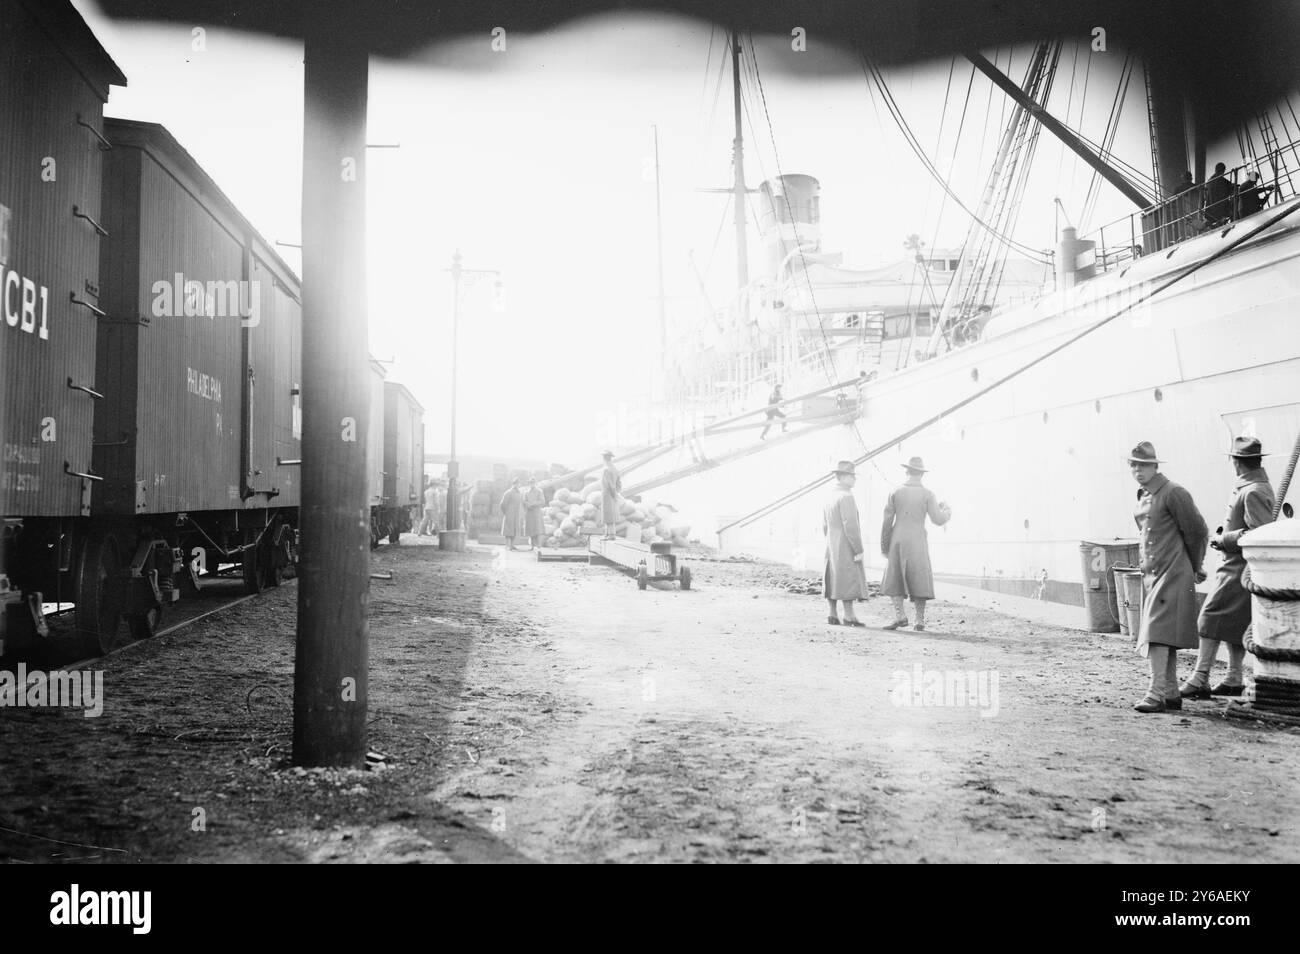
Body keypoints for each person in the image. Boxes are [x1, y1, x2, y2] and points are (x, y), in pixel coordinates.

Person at [1179, 437, 1275, 700]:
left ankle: (1200, 677)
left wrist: (1224, 540)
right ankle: (1233, 678)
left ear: (1237, 462)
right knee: (1233, 622)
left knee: (1209, 618)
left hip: (1237, 569)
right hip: (1239, 568)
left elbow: (1259, 533)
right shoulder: (1255, 486)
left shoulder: (1253, 490)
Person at [1128, 441, 1208, 713]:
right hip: (1153, 575)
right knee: (1163, 633)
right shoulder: (1145, 495)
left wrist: (1196, 567)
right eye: (1133, 464)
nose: (1137, 470)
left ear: (1155, 466)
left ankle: (1156, 693)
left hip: (1173, 572)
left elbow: (1197, 531)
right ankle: (1171, 693)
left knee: (1156, 632)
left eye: (1143, 465)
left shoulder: (1174, 493)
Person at [879, 456, 952, 632]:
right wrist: (947, 510)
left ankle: (900, 616)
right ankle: (919, 620)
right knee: (920, 578)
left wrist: (885, 545)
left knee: (894, 578)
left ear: (907, 472)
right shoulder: (928, 494)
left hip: (898, 539)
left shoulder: (895, 492)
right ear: (922, 474)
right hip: (918, 539)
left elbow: (886, 522)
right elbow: (938, 519)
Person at [823, 460, 868, 626]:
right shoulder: (847, 497)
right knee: (848, 578)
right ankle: (849, 616)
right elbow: (851, 526)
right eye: (851, 476)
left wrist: (830, 541)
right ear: (842, 477)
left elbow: (824, 526)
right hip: (845, 543)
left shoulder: (829, 497)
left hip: (831, 543)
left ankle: (832, 614)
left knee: (832, 577)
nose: (854, 479)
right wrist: (858, 549)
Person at [1203, 162, 1233, 227]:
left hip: (1210, 210)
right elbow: (1229, 187)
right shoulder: (1221, 180)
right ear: (1222, 170)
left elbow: (1205, 196)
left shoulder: (1209, 181)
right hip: (1220, 209)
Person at [600, 451, 621, 539]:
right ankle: (608, 533)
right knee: (612, 513)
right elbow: (618, 483)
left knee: (608, 514)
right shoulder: (614, 468)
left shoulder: (606, 469)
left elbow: (609, 484)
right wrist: (617, 492)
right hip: (613, 493)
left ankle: (611, 534)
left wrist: (613, 493)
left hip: (608, 493)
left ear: (605, 458)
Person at [499, 478, 524, 550]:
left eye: (519, 483)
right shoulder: (508, 492)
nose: (518, 485)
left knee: (514, 529)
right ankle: (507, 545)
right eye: (516, 483)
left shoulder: (519, 493)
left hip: (516, 514)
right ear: (514, 484)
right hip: (509, 513)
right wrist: (506, 512)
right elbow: (502, 504)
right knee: (508, 530)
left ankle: (512, 545)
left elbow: (520, 503)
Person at [523, 477, 546, 550]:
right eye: (530, 482)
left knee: (538, 529)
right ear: (528, 483)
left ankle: (539, 545)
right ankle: (532, 546)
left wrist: (534, 503)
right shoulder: (526, 492)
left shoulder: (539, 491)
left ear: (535, 483)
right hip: (529, 512)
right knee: (531, 529)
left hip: (537, 512)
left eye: (533, 482)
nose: (531, 484)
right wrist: (527, 504)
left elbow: (542, 501)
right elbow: (524, 501)